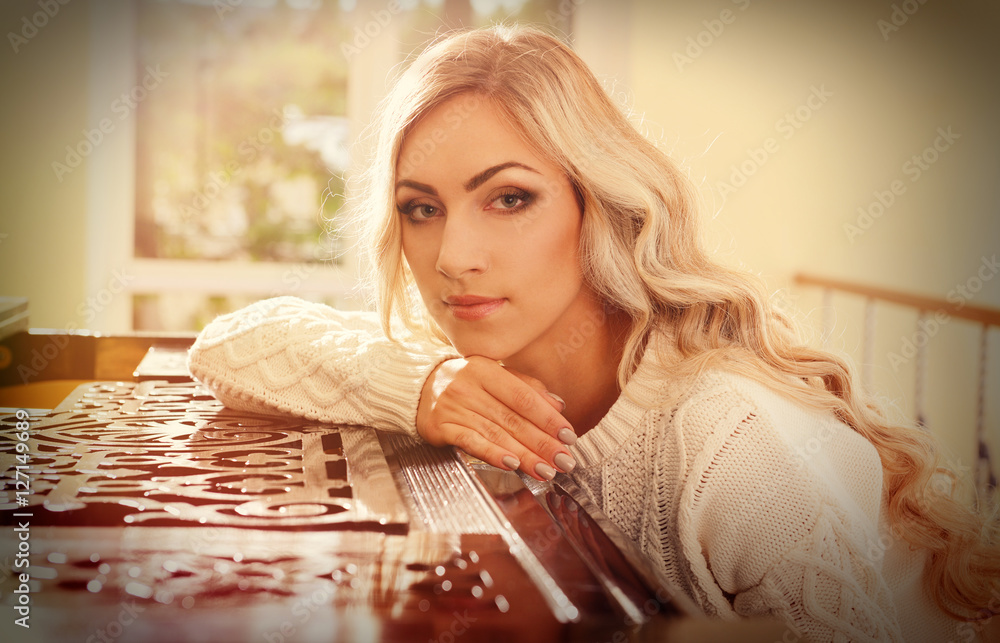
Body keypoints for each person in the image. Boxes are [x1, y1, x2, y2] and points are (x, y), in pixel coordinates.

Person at [188, 24, 999, 642]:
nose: (454, 257)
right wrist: (422, 387)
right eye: (421, 208)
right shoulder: (466, 366)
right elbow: (227, 346)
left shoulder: (731, 442)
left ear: (598, 204)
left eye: (509, 198)